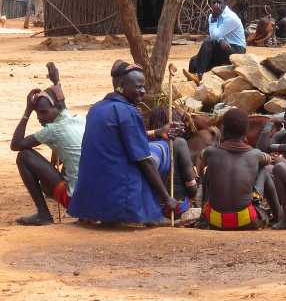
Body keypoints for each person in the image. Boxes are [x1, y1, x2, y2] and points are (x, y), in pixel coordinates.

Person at [68, 60, 178, 224]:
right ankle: (153, 212)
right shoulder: (128, 112)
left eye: (143, 87)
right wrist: (167, 198)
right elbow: (144, 160)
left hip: (90, 201)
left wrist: (157, 132)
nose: (143, 91)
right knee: (161, 149)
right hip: (120, 198)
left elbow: (119, 139)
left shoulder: (96, 108)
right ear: (121, 85)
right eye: (138, 87)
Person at [10, 62, 85, 226]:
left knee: (24, 155)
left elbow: (16, 144)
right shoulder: (77, 119)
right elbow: (61, 103)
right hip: (92, 199)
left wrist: (27, 111)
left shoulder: (53, 130)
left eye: (43, 112)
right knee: (46, 185)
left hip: (78, 202)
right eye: (37, 113)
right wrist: (56, 82)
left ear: (57, 108)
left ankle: (43, 214)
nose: (40, 117)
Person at [200, 108, 280, 230]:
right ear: (245, 133)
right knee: (262, 171)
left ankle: (202, 218)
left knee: (209, 170)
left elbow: (202, 156)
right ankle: (278, 217)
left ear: (222, 130)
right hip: (246, 221)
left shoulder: (210, 152)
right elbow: (268, 160)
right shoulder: (255, 154)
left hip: (214, 221)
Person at [147, 106, 198, 221]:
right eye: (177, 122)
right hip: (174, 209)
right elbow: (192, 190)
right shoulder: (179, 143)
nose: (182, 126)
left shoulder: (144, 143)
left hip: (148, 209)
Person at [184, 0, 246, 85]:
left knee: (208, 43)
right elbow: (215, 35)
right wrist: (220, 40)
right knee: (194, 61)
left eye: (219, 2)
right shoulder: (212, 16)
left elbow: (214, 36)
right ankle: (191, 84)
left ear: (225, 4)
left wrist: (214, 19)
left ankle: (198, 75)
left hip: (236, 49)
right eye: (214, 3)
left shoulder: (230, 17)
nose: (216, 5)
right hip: (222, 49)